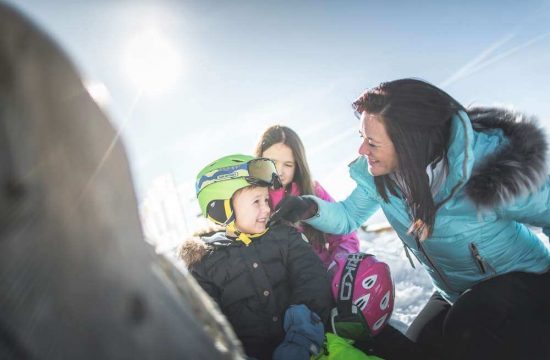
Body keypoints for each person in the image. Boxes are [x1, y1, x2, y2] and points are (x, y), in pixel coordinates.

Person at [271, 78, 550, 360]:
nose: (362, 151)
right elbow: (348, 216)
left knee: (467, 326)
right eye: (361, 138)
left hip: (528, 281)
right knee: (414, 351)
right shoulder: (383, 178)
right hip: (455, 291)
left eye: (372, 142)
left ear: (408, 144)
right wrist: (307, 208)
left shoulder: (486, 168)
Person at [179, 154, 334, 360]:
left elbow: (312, 278)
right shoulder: (204, 265)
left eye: (266, 200)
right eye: (256, 201)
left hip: (312, 348)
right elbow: (208, 326)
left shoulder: (284, 236)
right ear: (222, 209)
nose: (267, 208)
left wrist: (302, 334)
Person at [255, 125, 360, 268]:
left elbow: (344, 235)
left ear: (298, 166)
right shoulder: (249, 195)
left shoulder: (312, 191)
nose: (278, 171)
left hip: (318, 275)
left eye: (288, 164)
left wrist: (338, 269)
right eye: (272, 162)